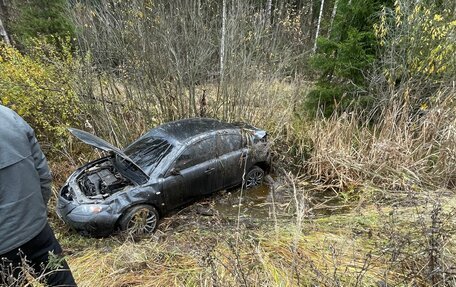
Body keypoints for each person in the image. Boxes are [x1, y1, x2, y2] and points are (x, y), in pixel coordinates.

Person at [0, 105, 77, 286]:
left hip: (3, 248)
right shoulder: (8, 116)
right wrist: (36, 211)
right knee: (62, 282)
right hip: (38, 231)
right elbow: (43, 173)